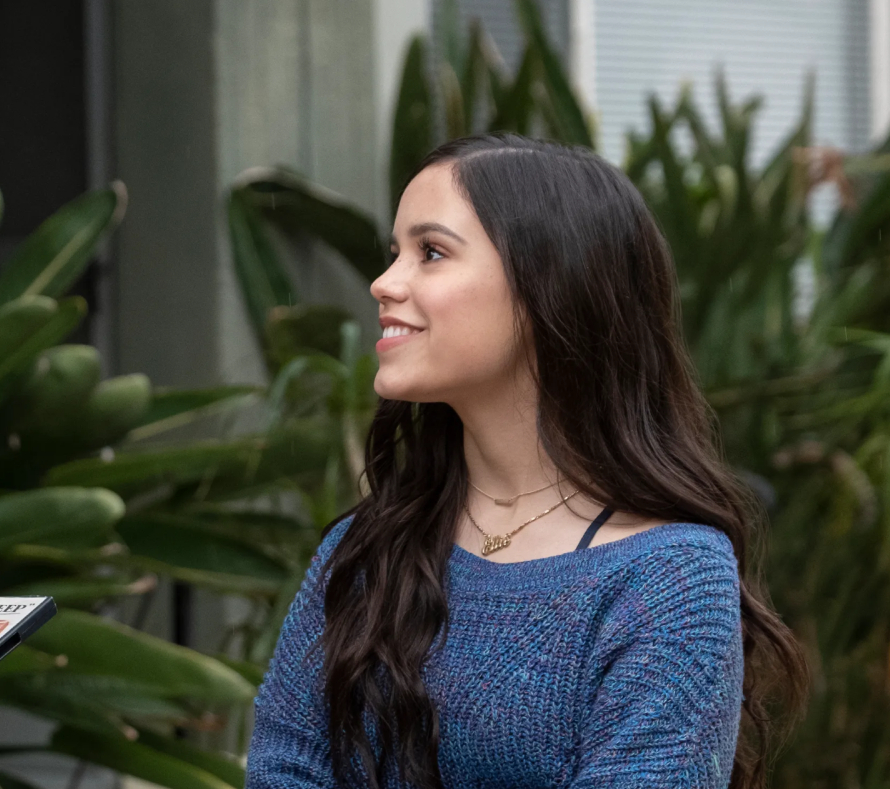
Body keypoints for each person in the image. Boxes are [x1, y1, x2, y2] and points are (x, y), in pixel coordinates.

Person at [245, 136, 807, 789]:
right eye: (393, 253)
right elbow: (282, 774)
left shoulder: (668, 581)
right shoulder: (366, 551)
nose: (385, 283)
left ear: (548, 286)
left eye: (430, 253)